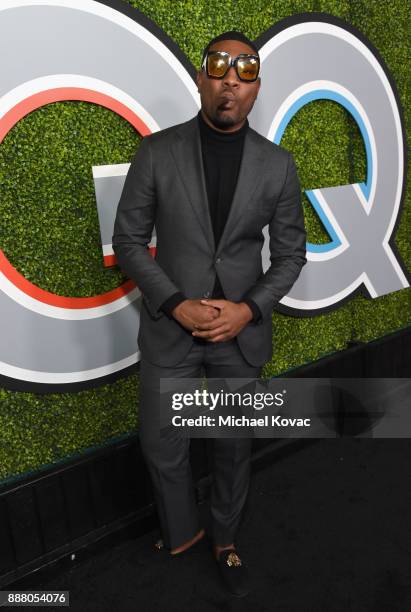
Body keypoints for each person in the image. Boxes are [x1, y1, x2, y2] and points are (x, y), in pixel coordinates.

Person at [112, 30, 307, 597]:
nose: (230, 82)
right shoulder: (156, 151)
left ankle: (225, 536)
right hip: (171, 331)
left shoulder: (278, 166)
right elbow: (128, 241)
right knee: (161, 444)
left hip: (238, 337)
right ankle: (183, 532)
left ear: (256, 90)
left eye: (245, 73)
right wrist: (175, 303)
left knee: (231, 445)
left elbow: (291, 254)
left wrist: (248, 310)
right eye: (219, 69)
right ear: (201, 80)